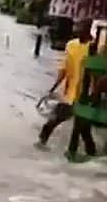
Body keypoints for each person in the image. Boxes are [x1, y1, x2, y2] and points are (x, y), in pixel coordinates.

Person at [37, 19, 94, 152]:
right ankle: (40, 146)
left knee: (84, 130)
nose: (76, 29)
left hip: (86, 95)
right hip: (70, 94)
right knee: (52, 122)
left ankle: (90, 153)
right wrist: (53, 88)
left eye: (79, 26)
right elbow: (64, 69)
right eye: (76, 26)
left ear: (87, 29)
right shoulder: (71, 45)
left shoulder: (94, 47)